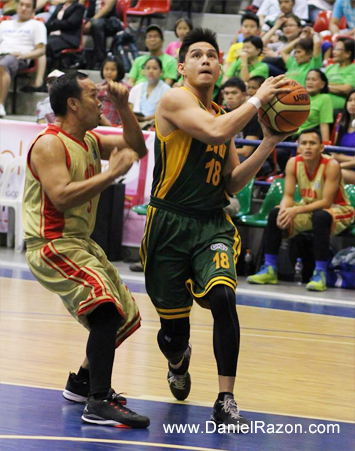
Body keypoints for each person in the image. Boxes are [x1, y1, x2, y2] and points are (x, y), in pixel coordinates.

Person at [140, 27, 292, 431]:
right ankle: (178, 359)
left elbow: (230, 183)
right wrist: (258, 98)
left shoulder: (224, 116)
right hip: (169, 224)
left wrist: (269, 142)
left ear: (220, 65)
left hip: (211, 225)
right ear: (182, 66)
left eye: (212, 54)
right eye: (197, 55)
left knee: (224, 296)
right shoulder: (175, 99)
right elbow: (213, 132)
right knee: (172, 334)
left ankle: (226, 399)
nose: (206, 59)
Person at [22, 72, 150, 428]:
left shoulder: (91, 140)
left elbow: (137, 147)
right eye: (95, 95)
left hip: (79, 243)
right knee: (105, 308)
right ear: (73, 104)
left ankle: (80, 384)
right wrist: (111, 175)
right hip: (51, 243)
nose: (100, 101)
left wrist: (125, 109)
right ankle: (98, 402)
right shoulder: (50, 144)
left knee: (125, 314)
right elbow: (60, 197)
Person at [247, 129, 355, 291]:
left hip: (339, 209)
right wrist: (285, 209)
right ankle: (269, 268)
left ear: (321, 148)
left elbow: (326, 202)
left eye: (312, 143)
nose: (308, 147)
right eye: (304, 143)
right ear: (298, 147)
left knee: (320, 217)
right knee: (276, 213)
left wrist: (295, 211)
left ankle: (320, 273)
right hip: (309, 207)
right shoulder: (293, 163)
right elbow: (289, 195)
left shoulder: (331, 165)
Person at [0, 0, 47, 117]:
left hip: (18, 57)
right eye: (21, 5)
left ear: (33, 10)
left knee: (3, 64)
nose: (24, 8)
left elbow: (41, 50)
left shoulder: (37, 25)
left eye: (28, 6)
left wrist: (23, 55)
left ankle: (0, 104)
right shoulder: (5, 24)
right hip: (2, 53)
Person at [223, 77, 273, 177]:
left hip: (255, 160)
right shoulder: (222, 114)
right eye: (226, 93)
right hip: (233, 156)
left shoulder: (253, 116)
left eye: (234, 93)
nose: (229, 97)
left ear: (244, 95)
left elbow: (246, 151)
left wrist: (221, 151)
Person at [128, 56, 171, 130]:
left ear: (161, 72)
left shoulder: (167, 90)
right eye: (148, 68)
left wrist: (145, 119)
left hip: (157, 126)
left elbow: (166, 112)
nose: (151, 71)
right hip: (137, 124)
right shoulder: (137, 88)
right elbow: (130, 107)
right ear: (143, 71)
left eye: (155, 68)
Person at [295, 69, 333, 142]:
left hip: (305, 139)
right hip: (288, 136)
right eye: (308, 79)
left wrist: (325, 145)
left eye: (314, 80)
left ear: (322, 84)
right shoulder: (300, 97)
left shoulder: (325, 98)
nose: (310, 82)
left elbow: (324, 124)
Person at [45, 0, 85, 70]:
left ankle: (50, 69)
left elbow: (70, 23)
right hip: (54, 35)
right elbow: (50, 21)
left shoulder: (79, 7)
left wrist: (54, 23)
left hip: (68, 38)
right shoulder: (60, 6)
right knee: (42, 42)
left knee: (48, 44)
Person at [84, 0, 124, 69]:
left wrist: (91, 21)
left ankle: (100, 60)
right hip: (92, 20)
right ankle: (76, 59)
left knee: (97, 24)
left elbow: (107, 8)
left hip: (110, 21)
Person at [97, 55, 130, 126]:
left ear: (119, 71)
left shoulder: (125, 87)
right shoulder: (98, 86)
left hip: (116, 124)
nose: (109, 72)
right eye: (106, 69)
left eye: (113, 70)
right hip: (97, 122)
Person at [325, 38, 355, 112]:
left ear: (348, 53)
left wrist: (324, 86)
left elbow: (347, 89)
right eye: (334, 49)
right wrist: (337, 86)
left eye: (337, 49)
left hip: (341, 111)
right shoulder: (329, 68)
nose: (333, 52)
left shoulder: (353, 69)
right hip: (323, 109)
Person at [332, 89, 355, 184]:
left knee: (335, 173)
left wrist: (339, 166)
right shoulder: (341, 125)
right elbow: (334, 153)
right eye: (350, 100)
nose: (352, 104)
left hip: (345, 169)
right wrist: (351, 159)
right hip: (342, 166)